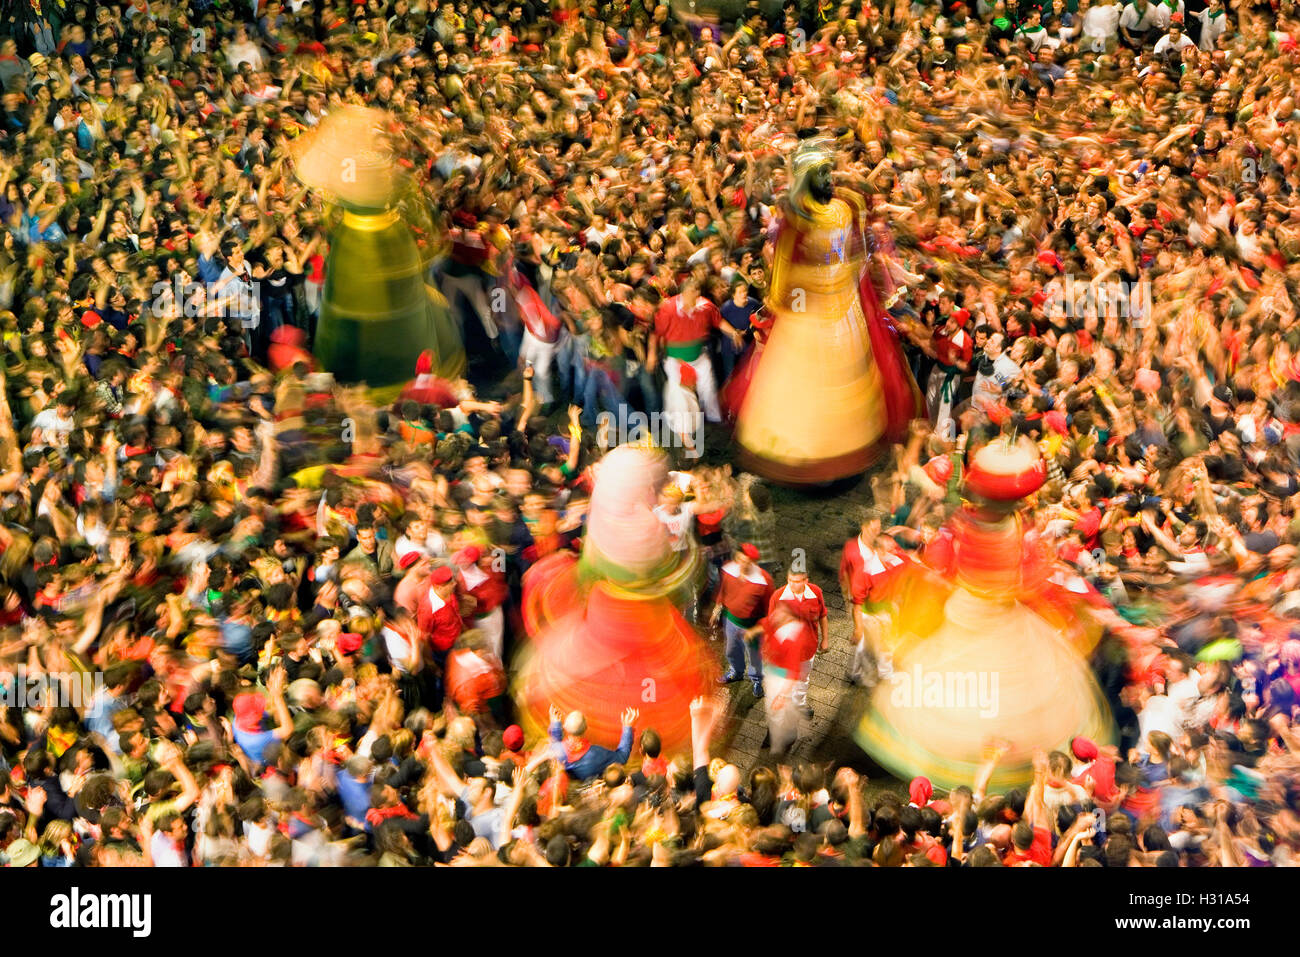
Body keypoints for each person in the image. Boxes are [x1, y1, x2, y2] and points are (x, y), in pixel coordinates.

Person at [710, 543, 774, 698]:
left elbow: (769, 609)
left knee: (754, 656)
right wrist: (716, 610)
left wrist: (760, 629)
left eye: (747, 561)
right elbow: (722, 591)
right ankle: (736, 671)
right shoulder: (727, 570)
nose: (743, 564)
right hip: (730, 621)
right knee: (731, 650)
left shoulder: (763, 580)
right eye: (741, 559)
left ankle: (757, 679)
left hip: (751, 626)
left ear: (753, 562)